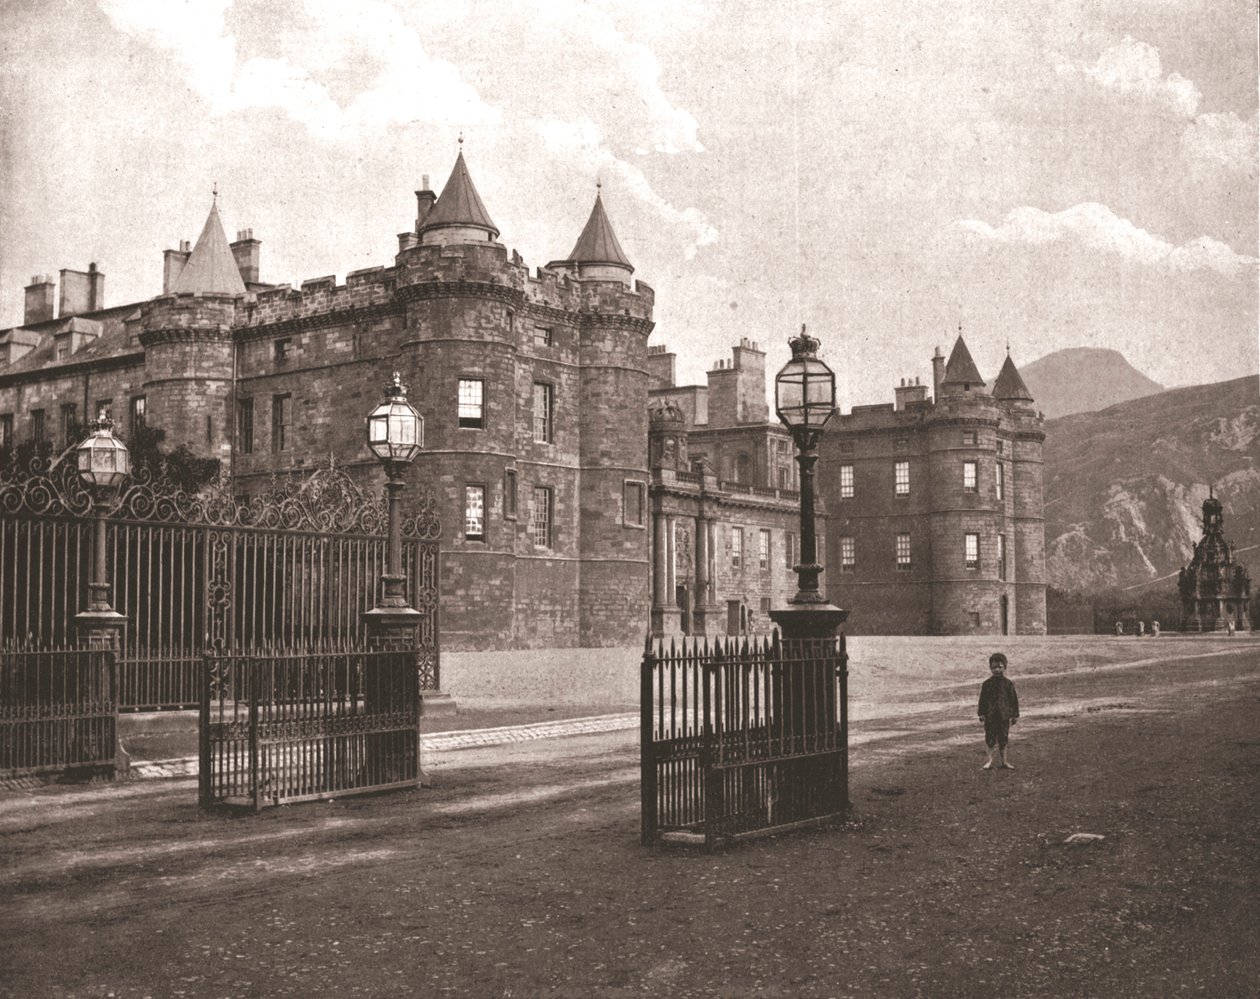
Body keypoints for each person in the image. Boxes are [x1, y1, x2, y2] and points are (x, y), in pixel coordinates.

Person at [978, 652, 1020, 771]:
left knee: (1003, 739)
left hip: (1004, 716)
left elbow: (1014, 700)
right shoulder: (986, 684)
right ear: (990, 668)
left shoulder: (1008, 684)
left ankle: (1004, 761)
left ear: (1005, 667)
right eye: (994, 667)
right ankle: (989, 760)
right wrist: (981, 713)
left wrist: (1015, 715)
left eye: (1000, 667)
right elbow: (982, 700)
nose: (997, 670)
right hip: (990, 716)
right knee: (990, 739)